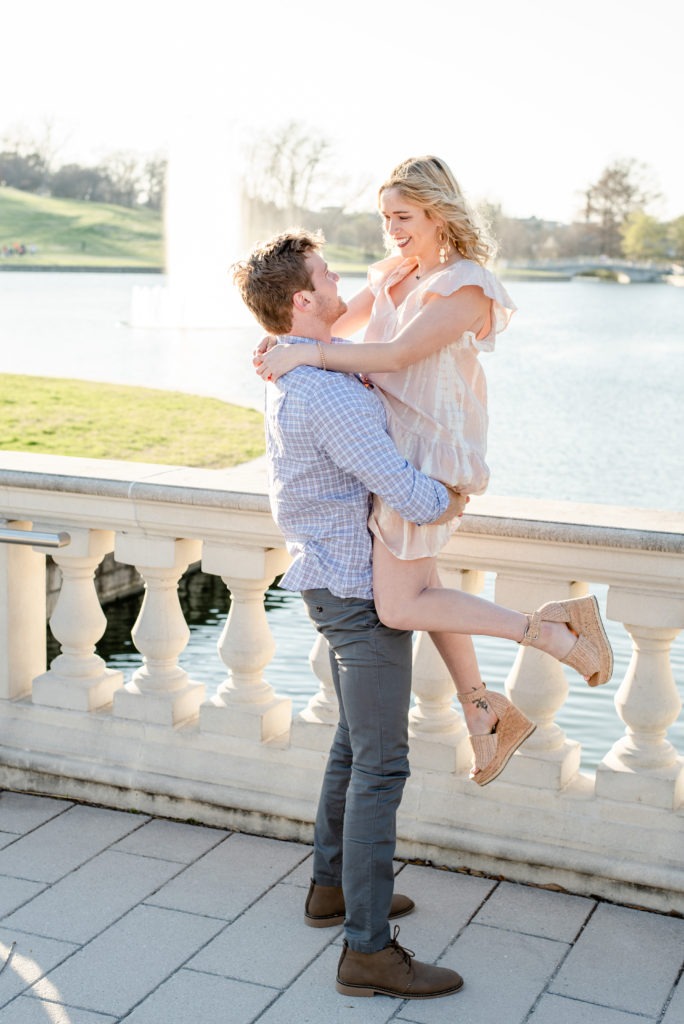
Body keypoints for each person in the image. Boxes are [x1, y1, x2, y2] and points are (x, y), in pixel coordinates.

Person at [255, 155, 613, 787]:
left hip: (432, 457)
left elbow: (394, 353)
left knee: (399, 605)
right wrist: (281, 340)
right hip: (392, 453)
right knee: (424, 591)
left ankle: (552, 630)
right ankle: (483, 711)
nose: (392, 229)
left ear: (438, 212)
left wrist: (305, 352)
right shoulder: (397, 271)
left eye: (403, 216)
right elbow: (338, 325)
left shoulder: (467, 285)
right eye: (385, 216)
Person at [233, 229, 467, 1000]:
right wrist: (454, 497)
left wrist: (386, 278)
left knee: (350, 745)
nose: (339, 283)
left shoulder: (290, 365)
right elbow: (399, 485)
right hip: (357, 597)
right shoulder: (326, 390)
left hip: (326, 581)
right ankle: (367, 950)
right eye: (327, 275)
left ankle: (330, 890)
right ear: (303, 299)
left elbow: (352, 321)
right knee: (381, 765)